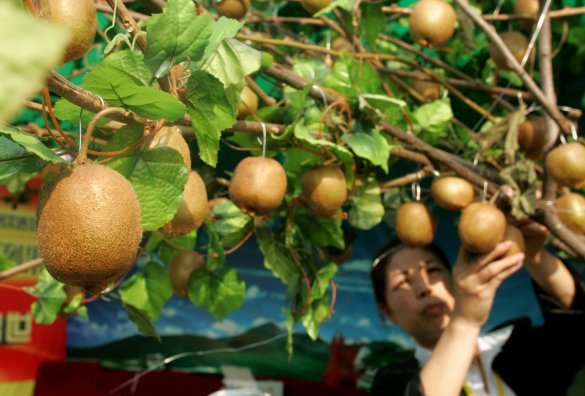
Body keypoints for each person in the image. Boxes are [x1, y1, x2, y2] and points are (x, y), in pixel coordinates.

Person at [369, 222, 585, 396]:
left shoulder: (514, 347)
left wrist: (532, 254)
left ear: (453, 279)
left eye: (433, 270)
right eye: (402, 282)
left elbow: (576, 325)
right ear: (387, 311)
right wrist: (464, 321)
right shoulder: (394, 380)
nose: (425, 288)